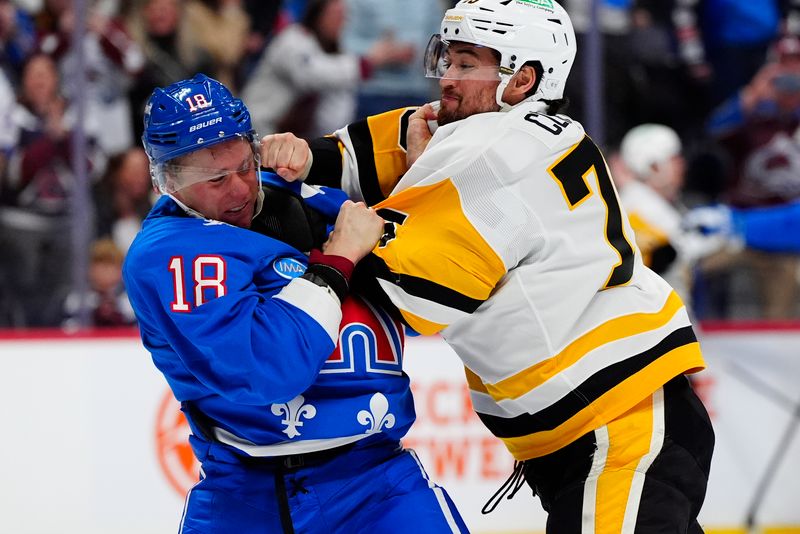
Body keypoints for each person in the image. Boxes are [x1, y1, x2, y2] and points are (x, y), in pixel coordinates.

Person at [260, 1, 714, 531]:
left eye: (468, 63)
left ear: (522, 79)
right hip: (625, 418)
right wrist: (309, 156)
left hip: (618, 428)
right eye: (447, 59)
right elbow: (399, 141)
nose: (447, 79)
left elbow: (421, 289)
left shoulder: (489, 151)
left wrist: (297, 219)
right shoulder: (525, 129)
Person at [123, 74, 468, 533]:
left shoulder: (289, 194)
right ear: (168, 181)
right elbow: (268, 369)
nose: (240, 190)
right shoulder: (168, 253)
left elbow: (434, 274)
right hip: (245, 499)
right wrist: (337, 261)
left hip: (378, 486)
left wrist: (417, 169)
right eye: (216, 178)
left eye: (245, 165)